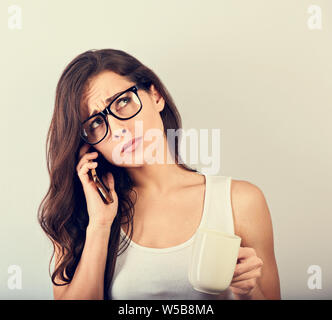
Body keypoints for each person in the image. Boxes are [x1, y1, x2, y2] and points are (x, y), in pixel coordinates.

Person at [38, 48, 281, 300]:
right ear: (89, 145)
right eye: (96, 122)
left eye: (122, 101)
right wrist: (99, 224)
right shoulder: (76, 218)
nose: (119, 129)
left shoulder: (240, 201)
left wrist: (248, 292)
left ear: (156, 96)